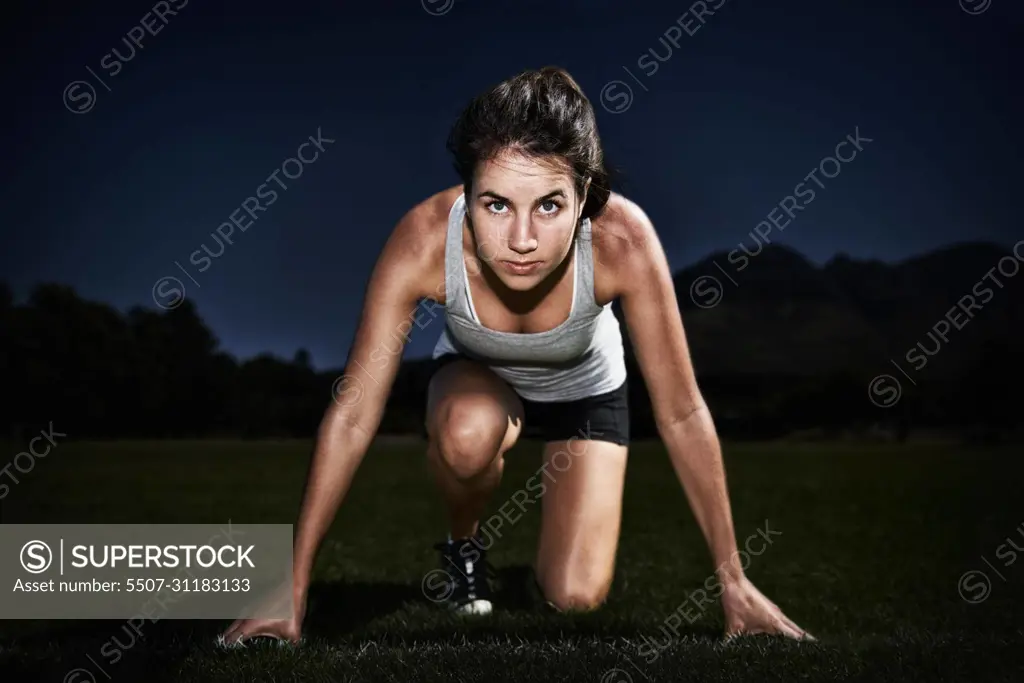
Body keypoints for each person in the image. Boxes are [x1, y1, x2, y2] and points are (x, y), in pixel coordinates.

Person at [222, 66, 812, 645]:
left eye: (549, 206)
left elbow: (681, 412)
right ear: (468, 193)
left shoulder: (622, 240)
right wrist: (291, 586)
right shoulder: (427, 239)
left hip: (588, 395)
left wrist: (732, 580)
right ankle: (465, 549)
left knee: (574, 597)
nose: (522, 240)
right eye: (496, 205)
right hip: (480, 383)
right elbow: (352, 414)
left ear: (585, 195)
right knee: (466, 432)